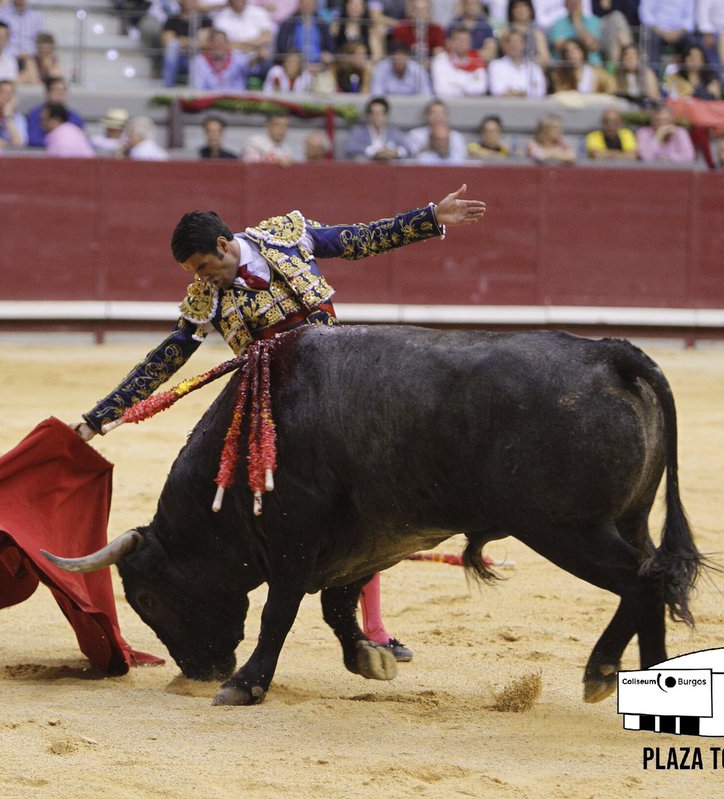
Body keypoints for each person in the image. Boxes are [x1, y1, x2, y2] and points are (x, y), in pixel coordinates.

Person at [73, 186, 488, 663]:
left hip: (343, 390)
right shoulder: (205, 297)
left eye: (204, 267)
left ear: (225, 245)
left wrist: (431, 216)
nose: (202, 279)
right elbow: (165, 360)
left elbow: (359, 239)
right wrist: (99, 417)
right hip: (275, 409)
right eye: (194, 273)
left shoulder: (286, 239)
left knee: (371, 497)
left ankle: (371, 625)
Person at [344, 95, 411, 160]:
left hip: (390, 167)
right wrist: (374, 152)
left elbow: (408, 149)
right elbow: (350, 147)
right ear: (369, 115)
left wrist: (395, 153)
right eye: (374, 113)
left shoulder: (393, 132)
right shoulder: (359, 130)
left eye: (380, 113)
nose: (377, 117)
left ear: (386, 115)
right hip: (368, 168)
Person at [638, 0, 695, 73]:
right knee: (651, 39)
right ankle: (653, 77)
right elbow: (644, 12)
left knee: (691, 43)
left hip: (679, 31)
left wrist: (679, 32)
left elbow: (690, 17)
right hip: (656, 30)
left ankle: (688, 78)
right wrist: (661, 32)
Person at [431, 24, 488, 96]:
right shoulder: (440, 60)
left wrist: (454, 82)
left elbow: (481, 89)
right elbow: (441, 90)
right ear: (450, 42)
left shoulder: (477, 60)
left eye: (465, 40)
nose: (461, 43)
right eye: (458, 40)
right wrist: (468, 82)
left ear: (470, 43)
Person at [26, 77, 83, 148]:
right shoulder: (35, 114)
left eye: (63, 90)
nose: (60, 94)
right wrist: (57, 142)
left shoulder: (75, 117)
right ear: (47, 93)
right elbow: (32, 139)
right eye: (56, 90)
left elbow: (79, 141)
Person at [275, 0, 334, 70]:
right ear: (299, 4)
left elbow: (331, 47)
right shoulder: (288, 23)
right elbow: (282, 47)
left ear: (315, 5)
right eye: (305, 4)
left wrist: (327, 55)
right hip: (295, 66)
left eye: (310, 4)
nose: (307, 7)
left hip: (319, 65)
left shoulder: (322, 25)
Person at [489, 29, 548, 98]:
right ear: (503, 45)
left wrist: (516, 93)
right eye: (509, 42)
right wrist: (523, 94)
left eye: (517, 42)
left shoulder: (534, 67)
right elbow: (497, 91)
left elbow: (541, 91)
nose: (513, 45)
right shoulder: (495, 65)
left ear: (523, 44)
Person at [547, 0, 603, 65]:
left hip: (592, 64)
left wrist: (578, 24)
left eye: (576, 3)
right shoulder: (557, 24)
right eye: (571, 3)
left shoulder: (593, 21)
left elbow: (592, 46)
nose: (574, 6)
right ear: (565, 5)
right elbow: (561, 48)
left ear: (581, 4)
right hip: (566, 67)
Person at [506, 0, 551, 68]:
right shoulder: (506, 32)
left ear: (530, 9)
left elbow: (545, 60)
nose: (520, 10)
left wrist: (526, 62)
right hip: (510, 69)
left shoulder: (537, 32)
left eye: (524, 6)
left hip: (533, 69)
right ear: (511, 11)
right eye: (516, 7)